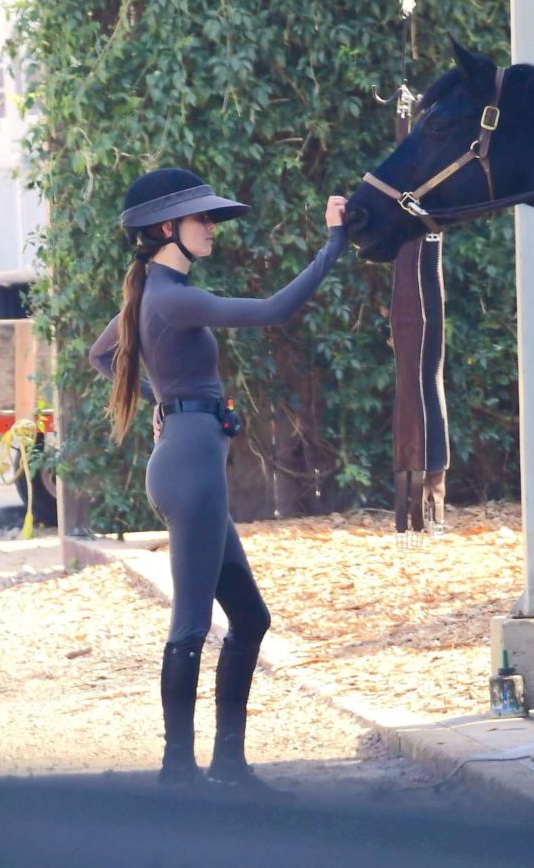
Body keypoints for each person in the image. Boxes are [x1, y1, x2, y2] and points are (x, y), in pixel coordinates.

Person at [89, 167, 346, 790]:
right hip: (191, 472)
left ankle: (226, 762)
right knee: (191, 626)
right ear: (165, 229)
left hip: (191, 459)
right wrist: (333, 242)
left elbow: (102, 356)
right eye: (202, 218)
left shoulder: (150, 293)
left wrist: (171, 401)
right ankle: (178, 770)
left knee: (250, 620)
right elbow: (275, 310)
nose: (211, 226)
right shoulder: (170, 295)